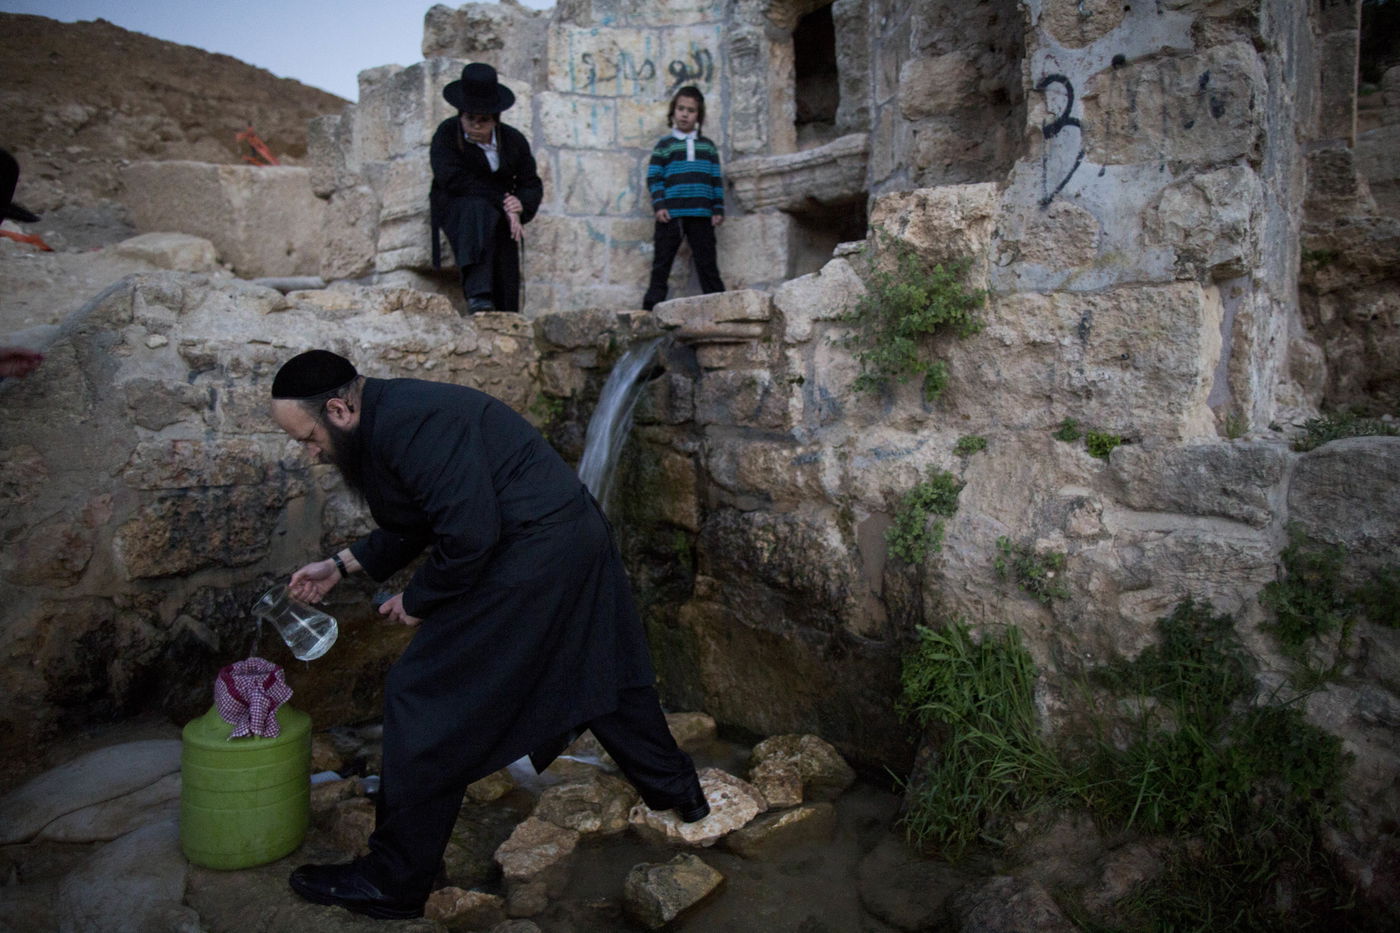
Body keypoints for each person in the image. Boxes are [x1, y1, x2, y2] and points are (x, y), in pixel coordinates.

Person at [269, 350, 708, 920]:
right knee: (603, 670)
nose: (311, 454)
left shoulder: (413, 423)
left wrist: (419, 600)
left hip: (536, 552)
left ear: (337, 410)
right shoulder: (388, 417)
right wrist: (341, 565)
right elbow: (418, 518)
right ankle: (681, 796)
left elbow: (468, 536)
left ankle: (394, 880)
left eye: (308, 439)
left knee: (422, 694)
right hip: (566, 541)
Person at [430, 63, 543, 314]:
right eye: (470, 119)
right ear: (461, 115)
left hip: (500, 210)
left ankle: (506, 311)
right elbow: (451, 178)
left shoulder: (513, 140)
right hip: (459, 205)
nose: (476, 126)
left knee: (504, 240)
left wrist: (519, 205)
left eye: (484, 120)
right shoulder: (447, 133)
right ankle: (478, 295)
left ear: (495, 119)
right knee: (478, 211)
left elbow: (530, 182)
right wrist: (503, 200)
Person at [641, 85, 726, 311]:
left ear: (699, 115)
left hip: (702, 213)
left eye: (691, 110)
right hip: (671, 214)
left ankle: (721, 307)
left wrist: (717, 208)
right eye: (681, 109)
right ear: (673, 111)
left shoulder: (707, 147)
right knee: (662, 262)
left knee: (707, 263)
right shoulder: (664, 146)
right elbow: (654, 177)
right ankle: (650, 308)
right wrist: (659, 205)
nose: (685, 114)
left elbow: (715, 179)